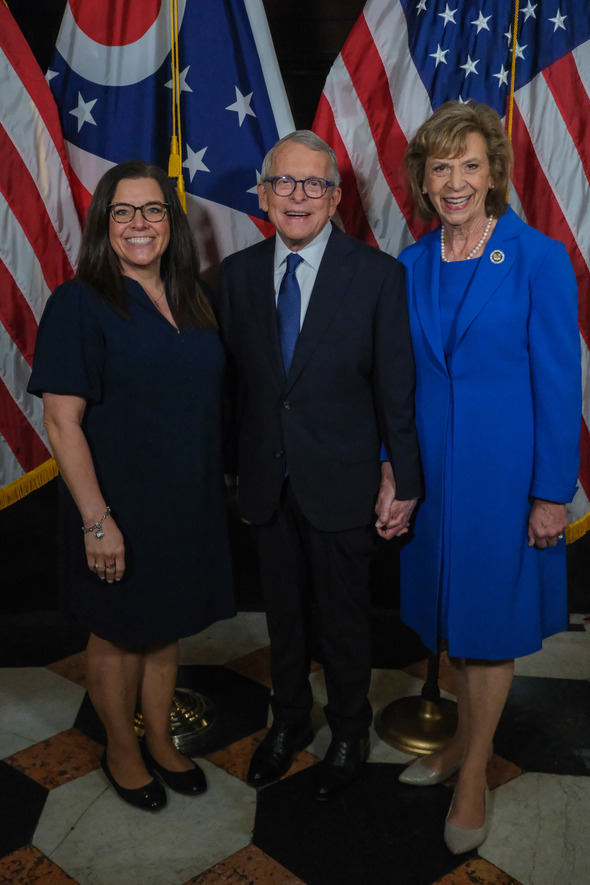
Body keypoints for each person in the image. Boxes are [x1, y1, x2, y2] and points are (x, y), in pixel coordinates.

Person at [386, 101, 580, 854]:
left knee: (489, 630)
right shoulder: (410, 265)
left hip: (505, 481)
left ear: (494, 172)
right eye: (441, 166)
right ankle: (461, 741)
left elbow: (560, 383)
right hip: (431, 480)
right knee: (449, 620)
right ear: (424, 179)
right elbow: (396, 384)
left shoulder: (538, 258)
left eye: (470, 164)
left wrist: (550, 492)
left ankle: (473, 774)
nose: (456, 180)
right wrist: (391, 470)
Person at [218, 130, 422, 801]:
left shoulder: (378, 276)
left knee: (343, 616)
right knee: (282, 616)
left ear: (334, 197)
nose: (297, 196)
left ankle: (349, 726)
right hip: (267, 483)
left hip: (344, 480)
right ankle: (289, 720)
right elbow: (235, 389)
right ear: (263, 194)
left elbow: (397, 392)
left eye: (313, 184)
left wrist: (406, 481)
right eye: (285, 183)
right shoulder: (237, 276)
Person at [28, 160, 234, 811]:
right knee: (117, 631)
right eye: (124, 211)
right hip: (114, 502)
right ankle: (122, 746)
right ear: (104, 224)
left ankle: (162, 742)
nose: (140, 223)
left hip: (184, 498)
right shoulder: (80, 302)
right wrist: (96, 519)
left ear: (171, 224)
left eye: (153, 210)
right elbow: (62, 423)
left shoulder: (193, 296)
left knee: (165, 627)